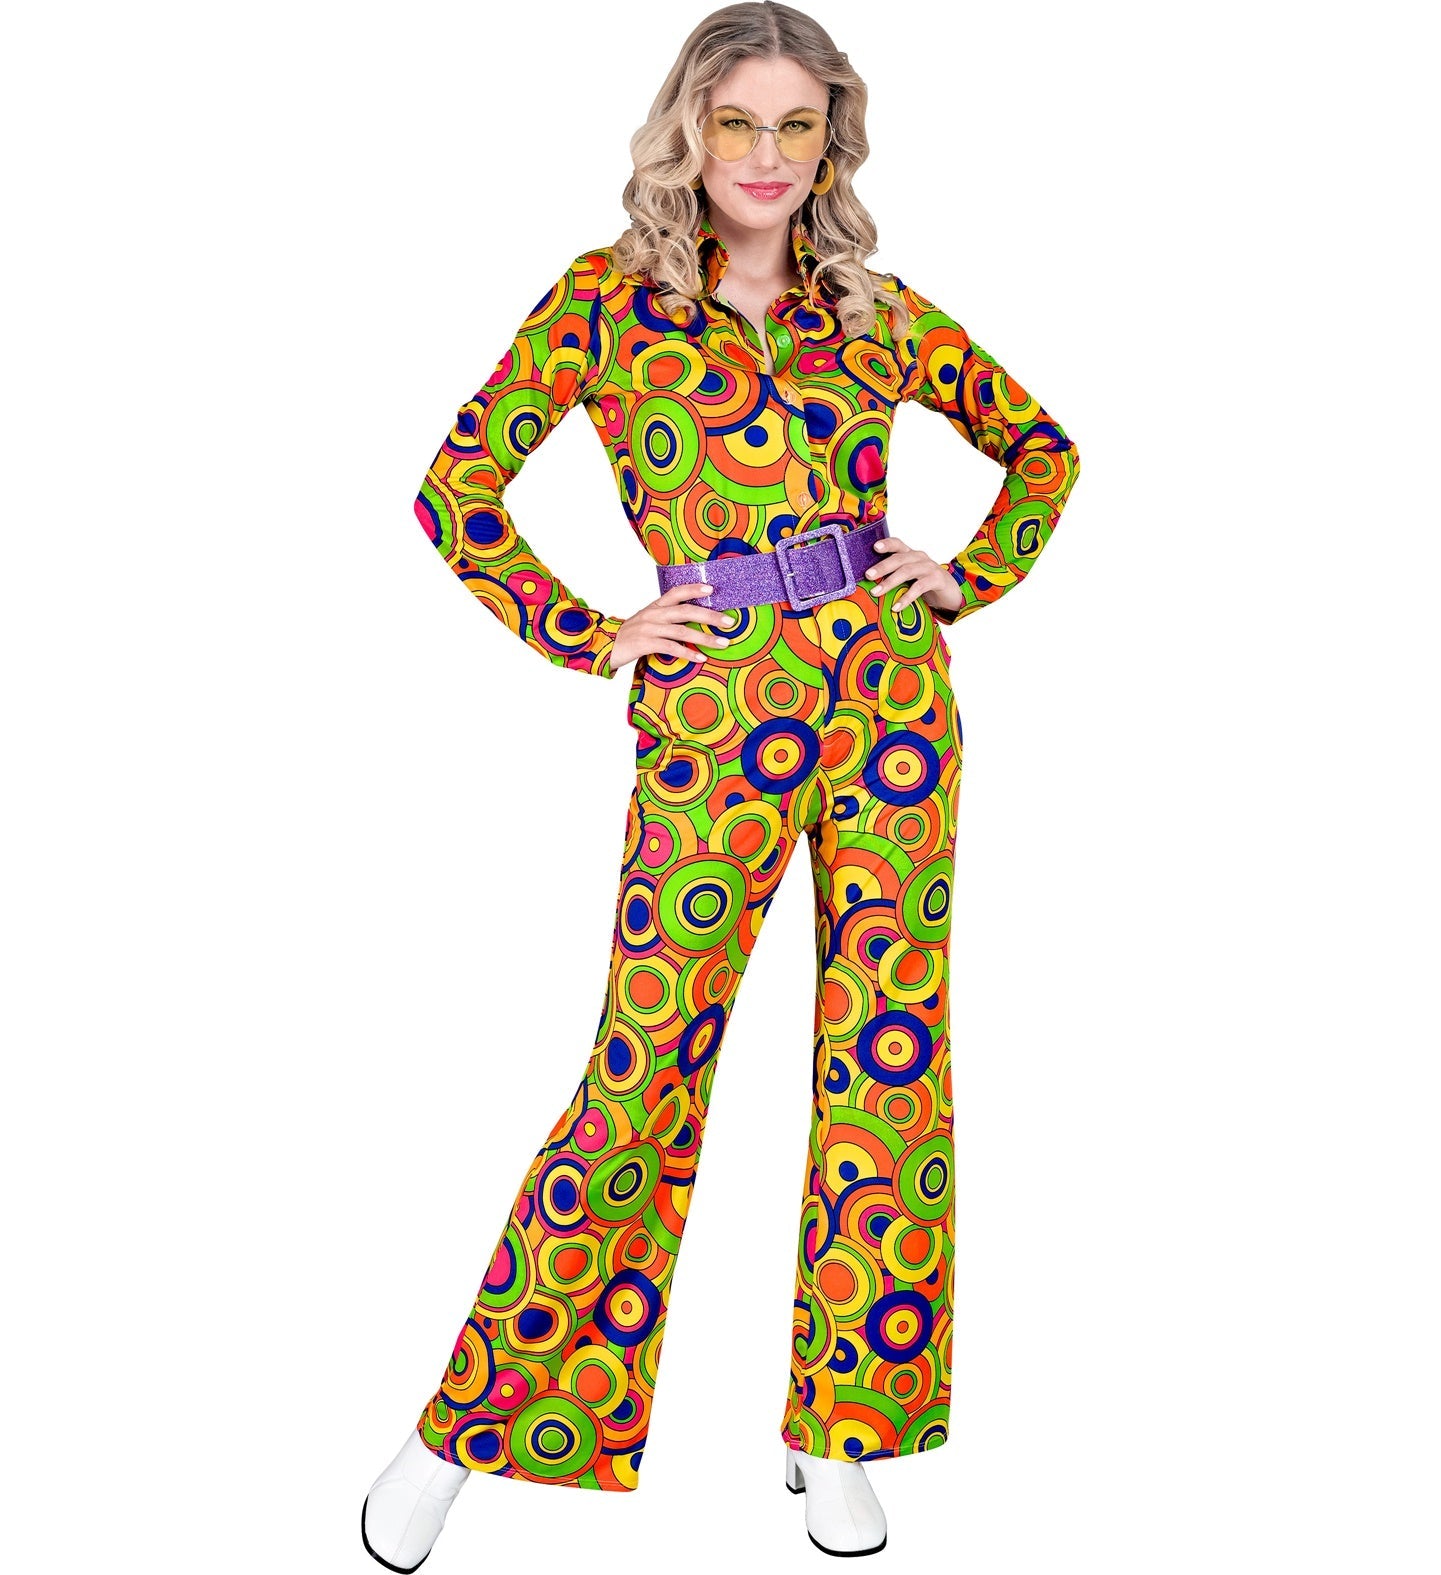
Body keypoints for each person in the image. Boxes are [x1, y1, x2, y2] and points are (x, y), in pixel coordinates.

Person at [362, 2, 1081, 1564]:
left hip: (892, 707)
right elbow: (456, 488)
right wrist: (591, 632)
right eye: (736, 122)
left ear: (831, 144)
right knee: (647, 1065)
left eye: (795, 127)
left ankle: (842, 1431)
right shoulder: (603, 302)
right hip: (713, 714)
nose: (764, 154)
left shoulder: (875, 309)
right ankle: (465, 1432)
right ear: (687, 131)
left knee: (887, 1061)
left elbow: (1042, 450)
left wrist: (965, 577)